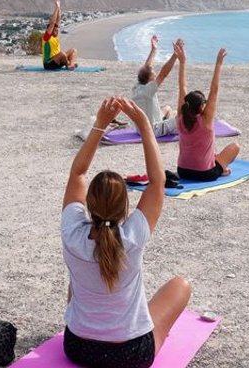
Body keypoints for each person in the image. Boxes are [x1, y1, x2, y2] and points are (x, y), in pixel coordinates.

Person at [61, 96, 190, 368]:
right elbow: (158, 181)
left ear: (89, 204)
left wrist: (100, 125)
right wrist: (145, 126)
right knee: (181, 286)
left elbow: (78, 174)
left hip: (78, 348)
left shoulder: (72, 231)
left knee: (77, 278)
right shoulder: (133, 235)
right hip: (130, 355)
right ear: (124, 208)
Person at [174, 44, 240, 181]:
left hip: (182, 171)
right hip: (204, 174)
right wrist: (218, 64)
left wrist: (182, 62)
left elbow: (182, 86)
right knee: (235, 147)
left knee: (213, 154)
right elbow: (214, 89)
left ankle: (215, 163)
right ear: (201, 107)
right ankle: (221, 170)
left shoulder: (180, 118)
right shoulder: (205, 120)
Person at [133, 36, 179, 136]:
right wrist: (175, 56)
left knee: (167, 108)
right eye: (154, 77)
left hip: (140, 128)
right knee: (181, 119)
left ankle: (168, 123)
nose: (156, 77)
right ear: (149, 81)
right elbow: (163, 74)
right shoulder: (148, 90)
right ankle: (170, 127)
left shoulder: (137, 86)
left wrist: (154, 49)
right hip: (152, 130)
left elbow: (147, 67)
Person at [43, 0, 78, 70]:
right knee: (62, 53)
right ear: (50, 30)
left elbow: (58, 20)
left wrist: (59, 7)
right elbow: (52, 22)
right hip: (49, 64)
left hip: (59, 59)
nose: (57, 31)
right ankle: (68, 64)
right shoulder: (46, 37)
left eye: (57, 30)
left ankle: (71, 65)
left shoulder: (55, 36)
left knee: (73, 50)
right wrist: (56, 8)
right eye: (55, 30)